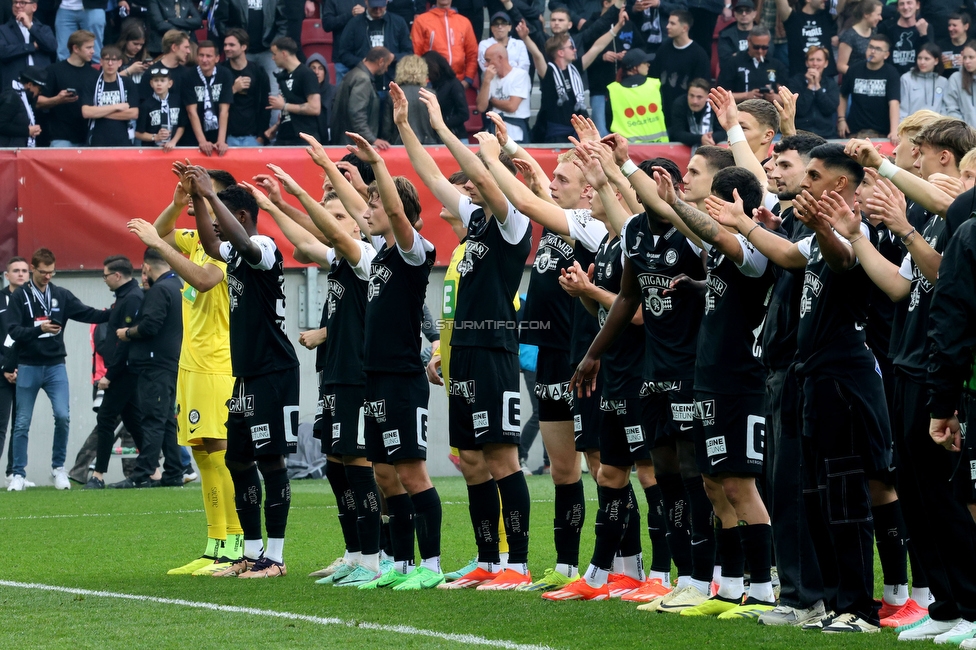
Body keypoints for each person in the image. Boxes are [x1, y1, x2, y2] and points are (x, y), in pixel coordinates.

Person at [718, 143, 890, 633]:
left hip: (844, 381)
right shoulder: (813, 233)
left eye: (813, 174)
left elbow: (842, 261)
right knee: (815, 498)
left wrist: (815, 228)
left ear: (839, 185)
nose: (805, 181)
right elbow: (794, 255)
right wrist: (751, 225)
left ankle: (859, 608)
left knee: (844, 498)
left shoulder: (859, 230)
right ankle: (833, 602)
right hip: (813, 378)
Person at [399, 85, 533, 590]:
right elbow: (433, 177)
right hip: (463, 363)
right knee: (472, 461)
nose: (471, 191)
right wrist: (410, 128)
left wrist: (448, 131)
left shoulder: (513, 224)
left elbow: (479, 176)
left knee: (501, 459)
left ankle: (517, 564)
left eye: (481, 185)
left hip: (494, 355)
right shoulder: (474, 229)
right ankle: (488, 560)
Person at [248, 151, 379, 586]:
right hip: (335, 372)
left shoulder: (363, 255)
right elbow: (304, 243)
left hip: (360, 373)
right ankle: (354, 552)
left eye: (339, 214)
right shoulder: (342, 257)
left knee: (359, 460)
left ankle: (375, 559)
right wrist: (272, 206)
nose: (331, 219)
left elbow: (320, 232)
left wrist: (301, 192)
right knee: (336, 460)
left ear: (359, 223)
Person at [337, 127, 446, 590]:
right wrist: (327, 169)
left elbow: (394, 207)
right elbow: (364, 206)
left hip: (403, 377)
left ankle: (432, 566)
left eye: (373, 204)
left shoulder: (412, 250)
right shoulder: (378, 256)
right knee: (384, 475)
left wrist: (379, 165)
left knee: (412, 473)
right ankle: (400, 565)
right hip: (374, 378)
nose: (366, 212)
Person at [181, 164, 300, 579]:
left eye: (222, 217)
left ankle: (277, 557)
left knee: (271, 463)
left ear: (242, 218)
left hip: (274, 370)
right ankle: (251, 553)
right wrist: (197, 195)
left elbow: (241, 246)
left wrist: (212, 197)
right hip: (247, 372)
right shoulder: (231, 252)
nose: (214, 227)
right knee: (239, 459)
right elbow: (214, 246)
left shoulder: (264, 246)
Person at [143, 168, 243, 575]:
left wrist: (159, 247)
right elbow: (158, 233)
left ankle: (236, 542)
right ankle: (214, 543)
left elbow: (203, 281)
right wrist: (178, 200)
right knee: (201, 456)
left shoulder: (229, 249)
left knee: (220, 454)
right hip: (191, 364)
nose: (201, 202)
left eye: (206, 195)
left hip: (218, 364)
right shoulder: (196, 241)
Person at [5, 248, 109, 493]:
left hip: (55, 366)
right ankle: (18, 473)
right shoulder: (20, 296)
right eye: (43, 272)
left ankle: (58, 468)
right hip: (28, 365)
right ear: (33, 269)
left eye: (52, 272)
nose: (48, 277)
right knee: (21, 422)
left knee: (63, 416)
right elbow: (12, 331)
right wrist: (40, 330)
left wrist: (114, 313)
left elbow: (87, 313)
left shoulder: (60, 295)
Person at [108, 247, 184, 490]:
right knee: (167, 420)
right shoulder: (178, 285)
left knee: (152, 419)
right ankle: (173, 471)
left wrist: (127, 333)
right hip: (170, 363)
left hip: (155, 365)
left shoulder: (161, 289)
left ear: (147, 267)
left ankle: (142, 473)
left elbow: (150, 325)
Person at [85, 255, 143, 490]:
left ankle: (98, 476)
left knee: (106, 418)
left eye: (106, 275)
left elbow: (125, 342)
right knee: (133, 420)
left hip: (124, 371)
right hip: (123, 369)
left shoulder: (131, 298)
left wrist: (109, 374)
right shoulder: (125, 297)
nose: (104, 279)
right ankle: (154, 470)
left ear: (117, 275)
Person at [647, 10, 710, 128]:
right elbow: (652, 79)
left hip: (686, 115)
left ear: (684, 28)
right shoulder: (663, 50)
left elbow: (702, 87)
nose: (667, 26)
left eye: (672, 23)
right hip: (661, 110)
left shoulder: (699, 55)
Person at [213, 0, 288, 97]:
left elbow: (283, 22)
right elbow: (221, 22)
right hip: (239, 52)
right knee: (239, 91)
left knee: (272, 93)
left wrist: (275, 44)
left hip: (267, 51)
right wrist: (235, 40)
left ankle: (270, 113)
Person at [335, 0, 411, 92]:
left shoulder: (398, 22)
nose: (378, 10)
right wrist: (361, 62)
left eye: (381, 7)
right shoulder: (354, 24)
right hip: (363, 85)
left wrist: (394, 57)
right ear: (366, 2)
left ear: (386, 2)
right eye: (374, 7)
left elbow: (409, 52)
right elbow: (343, 54)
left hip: (392, 84)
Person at [37, 30, 97, 148]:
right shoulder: (54, 70)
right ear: (75, 48)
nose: (93, 51)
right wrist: (57, 99)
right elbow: (38, 101)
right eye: (88, 47)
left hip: (88, 137)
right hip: (61, 136)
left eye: (93, 47)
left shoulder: (94, 74)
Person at [838, 34, 901, 142]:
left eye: (878, 49)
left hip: (881, 133)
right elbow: (843, 95)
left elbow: (894, 103)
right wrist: (841, 119)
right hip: (855, 131)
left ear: (886, 55)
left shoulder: (891, 73)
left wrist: (894, 130)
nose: (872, 51)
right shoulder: (854, 69)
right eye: (870, 47)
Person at [0, 257, 29, 486]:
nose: (20, 274)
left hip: (25, 369)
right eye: (15, 270)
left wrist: (20, 366)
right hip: (2, 372)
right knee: (1, 424)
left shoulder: (34, 301)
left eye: (24, 271)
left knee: (21, 423)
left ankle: (14, 473)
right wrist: (5, 367)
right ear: (6, 275)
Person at [331, 45, 393, 147]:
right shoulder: (362, 79)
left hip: (345, 141)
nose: (386, 70)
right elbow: (357, 114)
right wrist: (372, 139)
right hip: (355, 146)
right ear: (381, 61)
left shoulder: (352, 74)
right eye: (387, 65)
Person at [221, 28, 272, 147]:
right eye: (225, 45)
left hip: (253, 137)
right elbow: (213, 101)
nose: (227, 48)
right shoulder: (221, 71)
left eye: (231, 45)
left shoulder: (258, 71)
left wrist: (261, 136)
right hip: (227, 138)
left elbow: (265, 105)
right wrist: (233, 89)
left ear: (243, 47)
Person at [410, 0, 479, 89]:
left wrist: (468, 80)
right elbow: (415, 55)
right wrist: (425, 81)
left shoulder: (464, 22)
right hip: (432, 83)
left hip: (458, 82)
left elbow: (472, 54)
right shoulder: (421, 21)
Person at [182, 40, 233, 156]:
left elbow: (224, 111)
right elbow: (191, 111)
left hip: (218, 133)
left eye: (209, 56)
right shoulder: (188, 76)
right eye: (201, 55)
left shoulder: (225, 74)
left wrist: (221, 140)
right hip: (193, 136)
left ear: (217, 58)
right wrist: (202, 141)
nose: (204, 60)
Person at [80, 45, 138, 146]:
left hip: (123, 139)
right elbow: (86, 112)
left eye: (114, 60)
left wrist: (98, 112)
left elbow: (133, 114)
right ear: (101, 62)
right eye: (107, 59)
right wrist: (116, 107)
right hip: (97, 139)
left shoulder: (128, 83)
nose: (110, 63)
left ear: (120, 63)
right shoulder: (91, 83)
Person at [606, 48, 668, 142]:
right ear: (634, 67)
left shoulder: (613, 90)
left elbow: (608, 121)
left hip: (628, 150)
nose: (648, 65)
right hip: (658, 146)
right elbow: (664, 111)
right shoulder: (654, 84)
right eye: (644, 62)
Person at [269, 36, 321, 145]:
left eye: (274, 54)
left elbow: (315, 108)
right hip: (284, 135)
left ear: (283, 54)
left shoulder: (307, 74)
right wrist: (275, 127)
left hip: (303, 136)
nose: (273, 58)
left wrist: (284, 106)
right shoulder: (282, 76)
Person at [717, 26, 788, 104]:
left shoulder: (776, 65)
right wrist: (746, 95)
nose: (760, 51)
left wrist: (773, 97)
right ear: (748, 41)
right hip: (740, 111)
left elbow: (787, 99)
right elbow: (721, 95)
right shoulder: (734, 62)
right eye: (756, 47)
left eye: (764, 47)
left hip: (767, 112)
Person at [476, 43, 531, 142]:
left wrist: (491, 101)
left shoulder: (520, 75)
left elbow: (511, 106)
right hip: (494, 133)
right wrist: (486, 81)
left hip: (515, 133)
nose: (485, 65)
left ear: (500, 58)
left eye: (488, 60)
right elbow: (481, 107)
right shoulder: (490, 78)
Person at [540, 33, 588, 141]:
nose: (575, 50)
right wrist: (525, 38)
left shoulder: (576, 69)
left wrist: (615, 29)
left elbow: (597, 47)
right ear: (561, 52)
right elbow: (537, 56)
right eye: (571, 47)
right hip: (556, 134)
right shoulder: (548, 71)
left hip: (578, 133)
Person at [0, 0, 55, 91]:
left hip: (41, 84)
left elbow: (52, 46)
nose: (17, 5)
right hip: (14, 84)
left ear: (34, 7)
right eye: (15, 2)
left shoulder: (44, 29)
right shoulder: (3, 30)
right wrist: (31, 46)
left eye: (22, 3)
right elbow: (2, 52)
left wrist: (30, 26)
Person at [382, 54, 434, 145]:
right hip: (428, 144)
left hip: (401, 144)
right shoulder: (430, 94)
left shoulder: (393, 94)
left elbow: (386, 128)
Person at [776, 0, 836, 77]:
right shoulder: (792, 19)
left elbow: (840, 3)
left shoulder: (827, 17)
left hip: (826, 78)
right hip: (799, 80)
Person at [790, 45, 839, 139]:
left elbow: (829, 109)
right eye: (811, 59)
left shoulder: (831, 84)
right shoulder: (795, 82)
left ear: (826, 63)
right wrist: (810, 86)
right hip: (800, 135)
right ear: (806, 63)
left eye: (819, 60)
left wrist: (817, 87)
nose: (815, 63)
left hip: (826, 135)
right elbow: (799, 110)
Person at [135, 66, 187, 148]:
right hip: (152, 150)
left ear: (170, 84)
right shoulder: (146, 105)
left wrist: (173, 142)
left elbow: (182, 125)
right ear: (151, 83)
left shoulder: (177, 101)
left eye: (162, 81)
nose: (159, 84)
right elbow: (138, 134)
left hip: (174, 148)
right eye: (156, 81)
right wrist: (155, 137)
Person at [136, 29, 190, 107]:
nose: (188, 51)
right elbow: (144, 104)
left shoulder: (187, 74)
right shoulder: (151, 73)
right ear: (174, 47)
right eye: (186, 47)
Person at [667, 78, 727, 149]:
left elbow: (723, 132)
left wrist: (708, 139)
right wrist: (700, 139)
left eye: (699, 97)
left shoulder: (715, 105)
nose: (694, 101)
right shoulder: (679, 104)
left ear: (707, 97)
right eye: (691, 96)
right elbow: (677, 133)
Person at [422, 50, 468, 141]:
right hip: (441, 137)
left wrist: (441, 124)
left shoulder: (454, 84)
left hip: (456, 136)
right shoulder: (434, 86)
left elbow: (464, 114)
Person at [879, 0, 929, 75]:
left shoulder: (925, 26)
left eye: (909, 3)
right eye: (902, 4)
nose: (905, 7)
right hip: (892, 75)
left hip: (917, 76)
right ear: (897, 8)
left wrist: (923, 34)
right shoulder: (886, 27)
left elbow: (930, 55)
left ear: (917, 5)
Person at [900, 42, 947, 117]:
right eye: (919, 58)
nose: (922, 62)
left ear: (936, 61)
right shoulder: (906, 79)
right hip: (913, 126)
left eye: (926, 59)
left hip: (936, 127)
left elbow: (944, 109)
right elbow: (903, 110)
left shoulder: (943, 82)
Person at [0, 63, 42, 147]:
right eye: (39, 88)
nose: (40, 92)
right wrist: (26, 131)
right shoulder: (12, 97)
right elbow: (1, 124)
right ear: (29, 85)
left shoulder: (23, 98)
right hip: (9, 153)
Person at [837, 0, 883, 74]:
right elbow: (841, 65)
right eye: (878, 14)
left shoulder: (874, 30)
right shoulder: (849, 35)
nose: (880, 18)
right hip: (855, 79)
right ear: (866, 14)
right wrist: (860, 75)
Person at [307, 53, 337, 144]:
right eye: (313, 68)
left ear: (325, 72)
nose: (316, 72)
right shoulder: (300, 92)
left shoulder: (334, 92)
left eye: (320, 68)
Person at [945, 41, 976, 125]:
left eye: (971, 57)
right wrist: (965, 131)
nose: (967, 61)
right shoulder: (955, 78)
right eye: (964, 57)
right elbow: (951, 109)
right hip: (965, 134)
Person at [937, 12, 969, 78]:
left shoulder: (973, 45)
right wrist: (939, 62)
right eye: (949, 25)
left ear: (966, 26)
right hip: (945, 82)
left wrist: (967, 61)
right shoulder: (941, 45)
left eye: (954, 25)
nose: (950, 29)